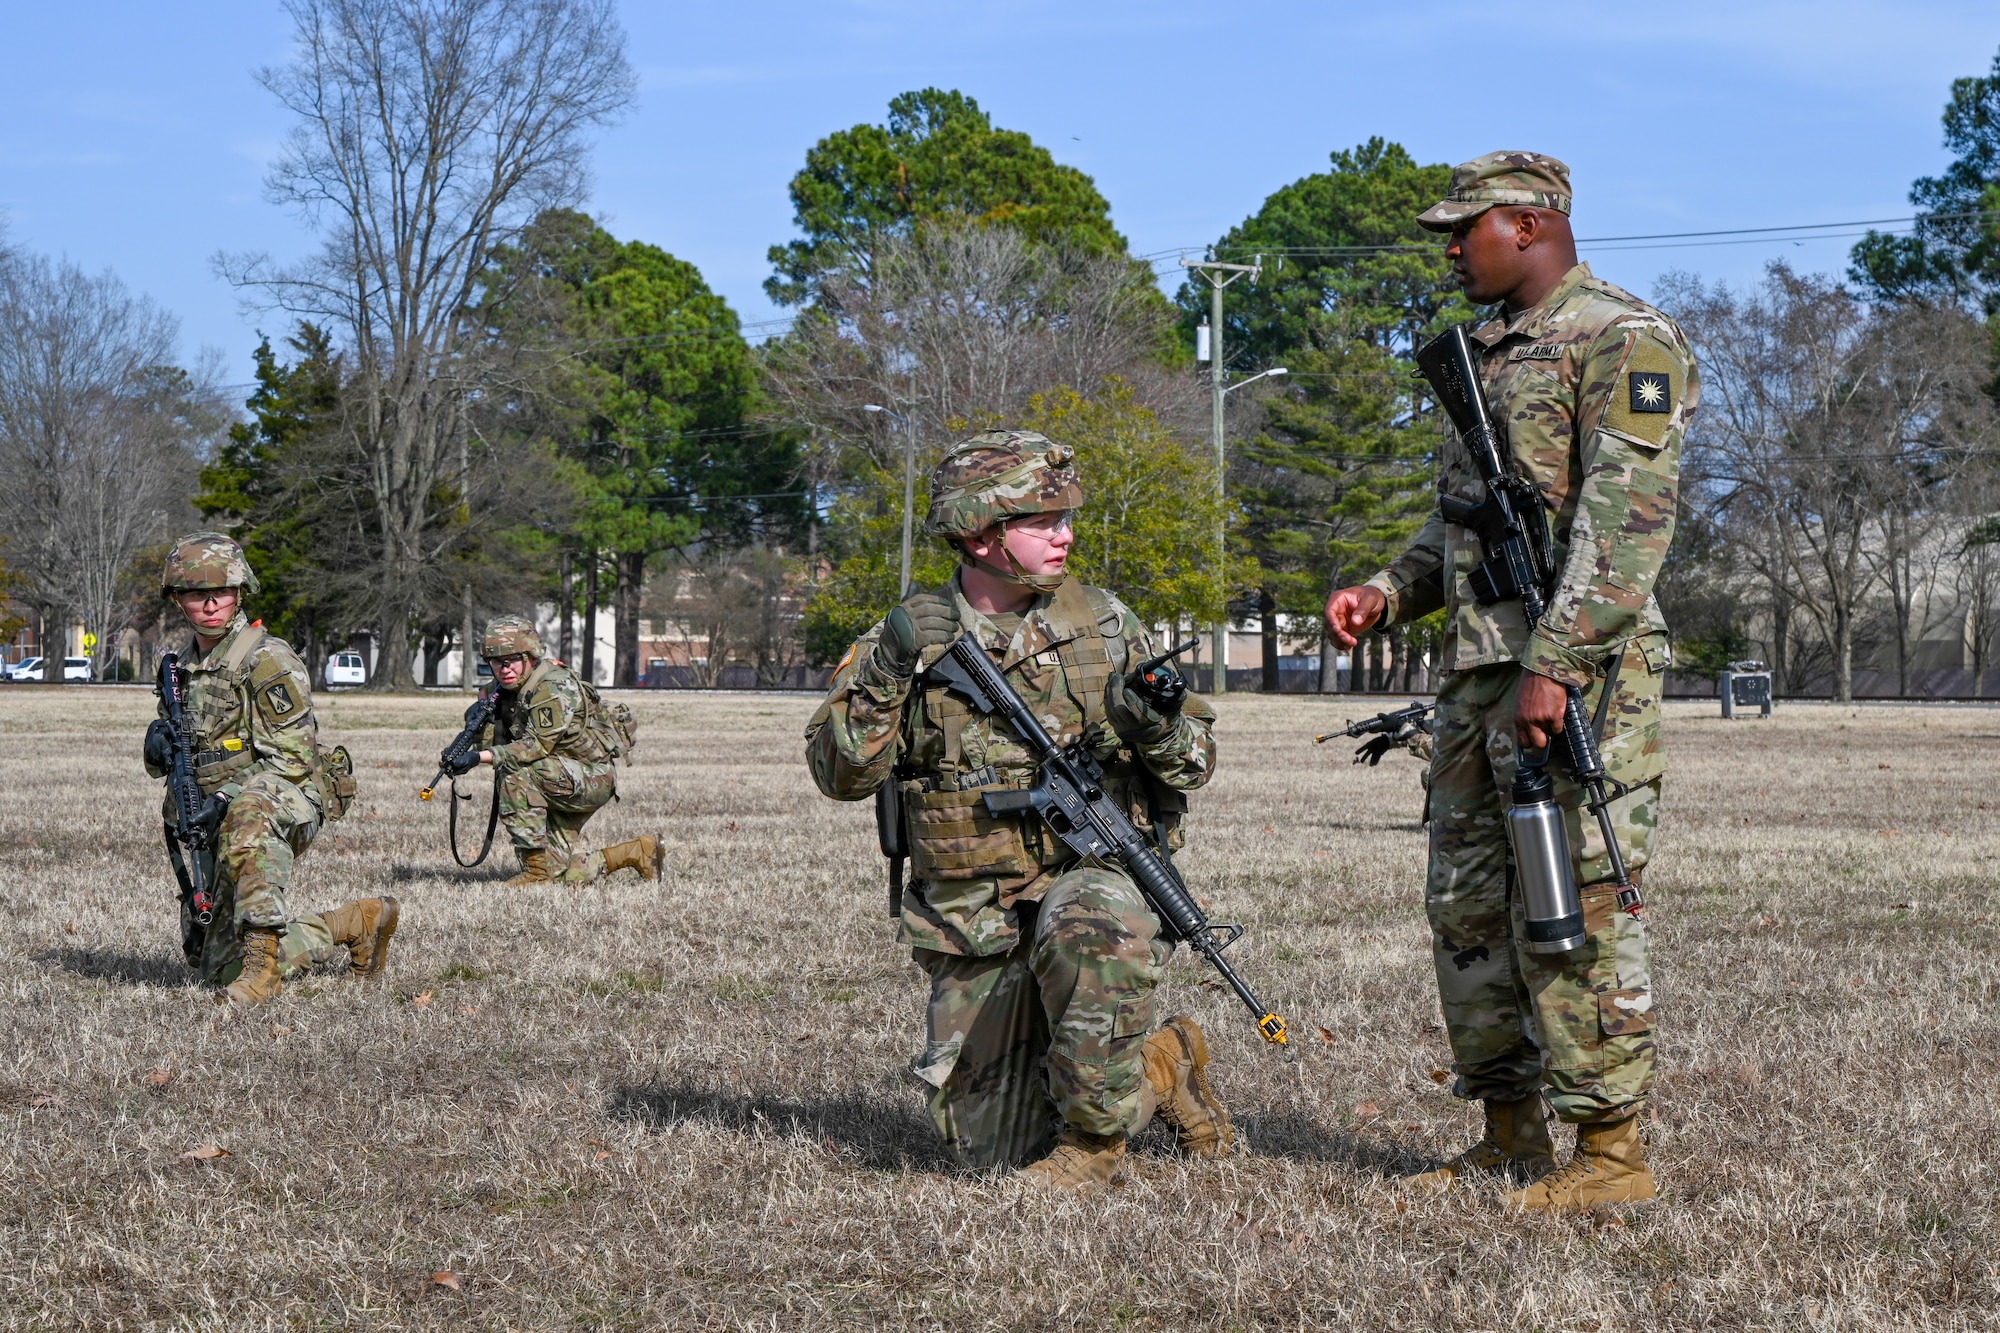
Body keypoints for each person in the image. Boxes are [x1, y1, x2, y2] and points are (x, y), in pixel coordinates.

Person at [1324, 152, 1696, 1213]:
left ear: (1529, 223)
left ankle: (1610, 1155)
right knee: (1468, 904)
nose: (1449, 249)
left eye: (1464, 228)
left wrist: (1556, 665)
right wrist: (1389, 593)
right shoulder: (1483, 353)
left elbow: (1628, 525)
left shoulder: (1628, 339)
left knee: (1570, 896)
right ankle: (1506, 1129)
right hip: (1481, 671)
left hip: (1576, 673)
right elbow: (1467, 514)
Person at [805, 430, 1235, 1188]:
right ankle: (1164, 1063)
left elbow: (1195, 763)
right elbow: (840, 774)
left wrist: (1154, 725)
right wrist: (891, 666)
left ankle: (1094, 1150)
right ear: (979, 533)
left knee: (1097, 925)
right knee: (994, 1149)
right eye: (1044, 520)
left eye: (1068, 516)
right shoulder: (904, 638)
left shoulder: (1105, 623)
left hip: (1091, 880)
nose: (1066, 533)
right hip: (975, 917)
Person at [144, 532, 399, 1007]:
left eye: (221, 591)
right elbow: (185, 755)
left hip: (286, 794)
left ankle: (262, 973)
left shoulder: (267, 658)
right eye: (197, 594)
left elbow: (295, 758)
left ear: (240, 592)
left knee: (250, 809)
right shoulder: (181, 669)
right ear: (179, 601)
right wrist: (156, 747)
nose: (211, 604)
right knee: (213, 965)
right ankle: (356, 923)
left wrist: (224, 798)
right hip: (213, 817)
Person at [457, 615, 658, 887]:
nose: (504, 669)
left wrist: (478, 758)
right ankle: (636, 852)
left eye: (512, 659)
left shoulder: (553, 686)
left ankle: (535, 874)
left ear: (530, 656)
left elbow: (536, 746)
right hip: (555, 778)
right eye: (495, 662)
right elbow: (495, 739)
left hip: (590, 777)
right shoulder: (499, 690)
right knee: (559, 877)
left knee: (516, 774)